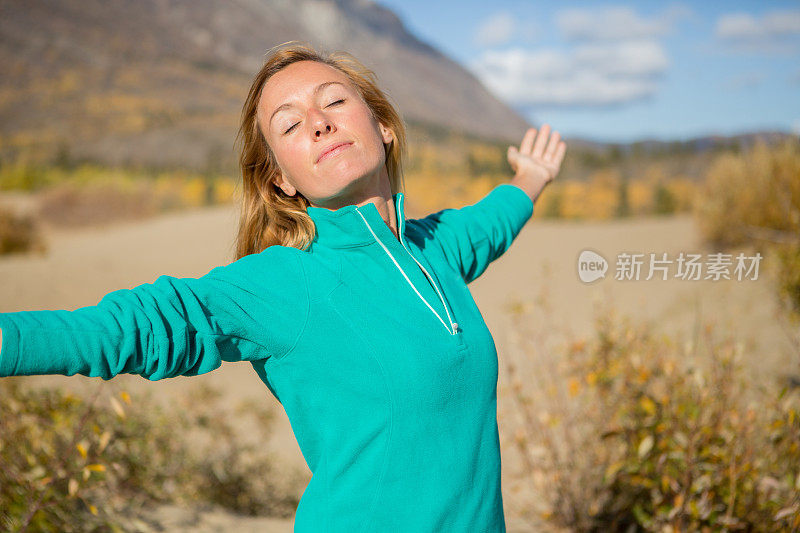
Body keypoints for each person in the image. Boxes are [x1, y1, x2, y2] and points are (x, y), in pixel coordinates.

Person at [0, 41, 566, 531]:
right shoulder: (285, 283)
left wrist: (530, 179)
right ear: (282, 180)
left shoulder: (434, 248)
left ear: (384, 126)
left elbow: (490, 224)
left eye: (335, 101)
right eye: (290, 125)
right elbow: (140, 324)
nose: (319, 122)